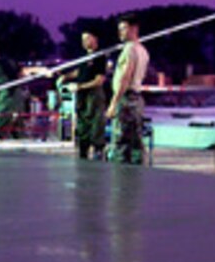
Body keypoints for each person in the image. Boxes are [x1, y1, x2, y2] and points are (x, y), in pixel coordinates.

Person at [105, 14, 149, 164]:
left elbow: (125, 78)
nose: (120, 33)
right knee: (135, 142)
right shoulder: (143, 50)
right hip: (137, 99)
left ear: (134, 29)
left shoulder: (129, 50)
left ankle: (120, 182)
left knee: (121, 143)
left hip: (126, 100)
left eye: (124, 28)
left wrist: (113, 103)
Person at [58, 31, 108, 159]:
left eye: (87, 38)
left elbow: (99, 80)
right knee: (82, 128)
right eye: (82, 39)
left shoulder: (100, 56)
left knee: (96, 127)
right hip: (82, 97)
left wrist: (79, 86)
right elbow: (79, 72)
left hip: (94, 96)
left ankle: (98, 155)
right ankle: (83, 154)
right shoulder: (84, 56)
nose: (84, 42)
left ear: (95, 38)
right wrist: (65, 76)